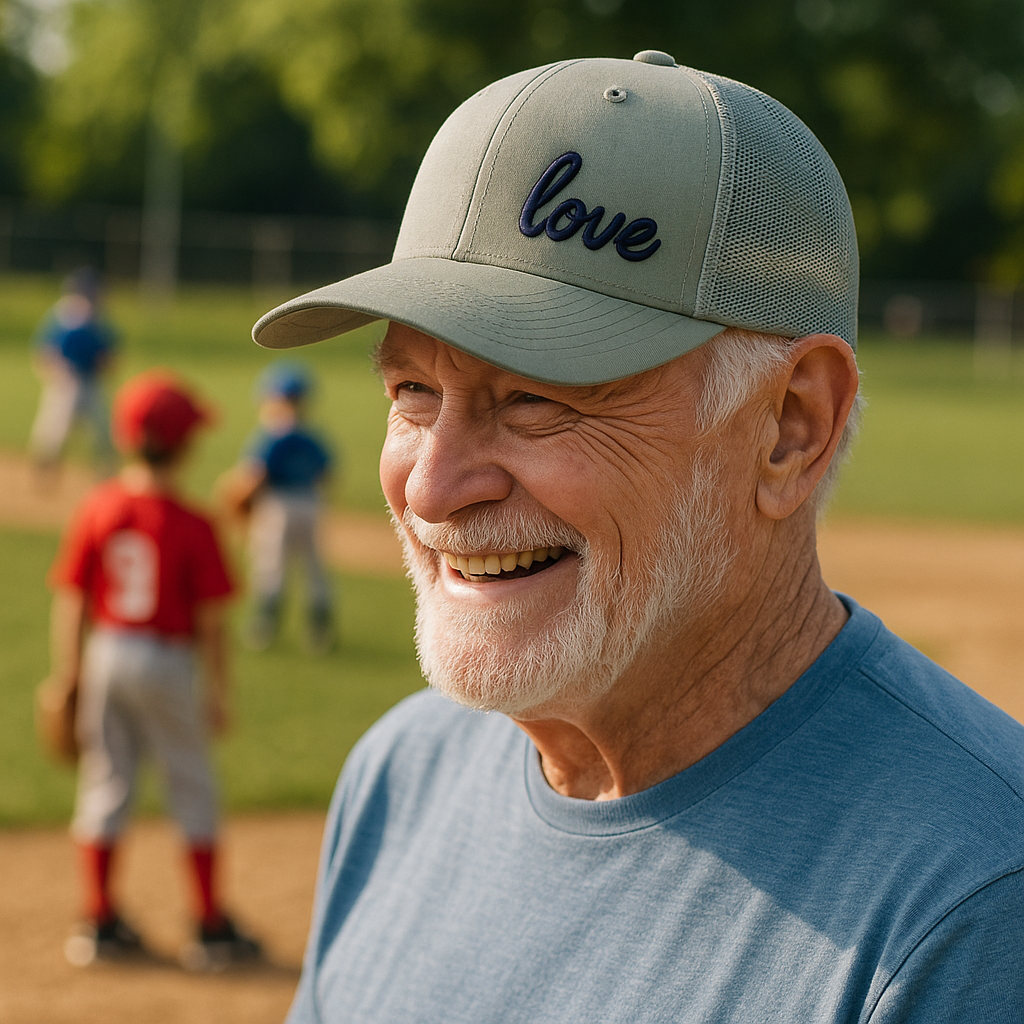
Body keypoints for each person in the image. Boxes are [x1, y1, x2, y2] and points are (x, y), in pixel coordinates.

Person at [253, 52, 1024, 1021]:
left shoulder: (977, 909)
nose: (435, 485)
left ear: (790, 426)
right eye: (412, 390)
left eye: (533, 398)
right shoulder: (400, 777)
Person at [47, 369, 261, 970]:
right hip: (168, 661)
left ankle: (99, 922)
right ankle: (210, 928)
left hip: (107, 653)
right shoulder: (193, 522)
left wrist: (69, 673)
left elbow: (74, 599)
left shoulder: (99, 506)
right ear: (186, 445)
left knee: (107, 784)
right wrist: (217, 692)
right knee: (191, 784)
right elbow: (212, 625)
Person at [220, 362, 336, 653]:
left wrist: (235, 496)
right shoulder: (311, 437)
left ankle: (265, 626)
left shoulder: (271, 436)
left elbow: (254, 477)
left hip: (277, 505)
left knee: (272, 565)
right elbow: (327, 474)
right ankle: (319, 631)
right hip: (310, 502)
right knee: (313, 567)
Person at [28, 267, 117, 478]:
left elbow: (109, 354)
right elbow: (45, 351)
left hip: (90, 381)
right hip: (66, 381)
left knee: (103, 428)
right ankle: (45, 467)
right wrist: (54, 372)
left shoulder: (98, 318)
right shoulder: (65, 316)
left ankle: (106, 471)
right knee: (56, 427)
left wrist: (105, 365)